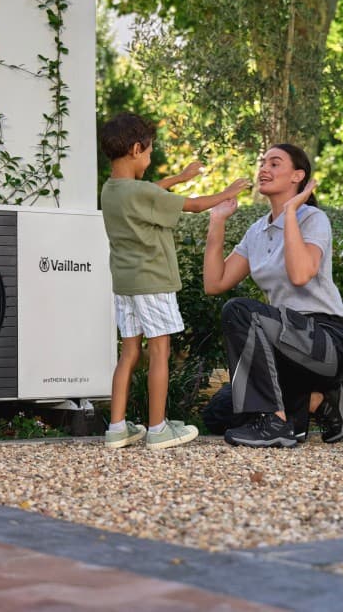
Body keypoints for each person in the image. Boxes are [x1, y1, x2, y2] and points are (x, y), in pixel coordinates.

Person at [99, 112, 251, 450]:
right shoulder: (139, 193)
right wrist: (227, 191)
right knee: (160, 352)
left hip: (125, 284)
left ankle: (117, 428)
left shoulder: (111, 190)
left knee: (128, 354)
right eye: (150, 152)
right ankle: (157, 429)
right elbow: (196, 206)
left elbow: (149, 192)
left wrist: (180, 177)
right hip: (153, 281)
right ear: (137, 149)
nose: (150, 159)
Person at [201, 143, 343, 448]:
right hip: (285, 346)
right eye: (263, 163)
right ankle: (317, 401)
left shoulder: (313, 219)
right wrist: (217, 221)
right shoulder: (257, 231)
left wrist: (290, 213)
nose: (264, 169)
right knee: (218, 414)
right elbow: (215, 283)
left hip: (328, 341)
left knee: (239, 311)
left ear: (298, 176)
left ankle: (276, 421)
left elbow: (300, 274)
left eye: (274, 164)